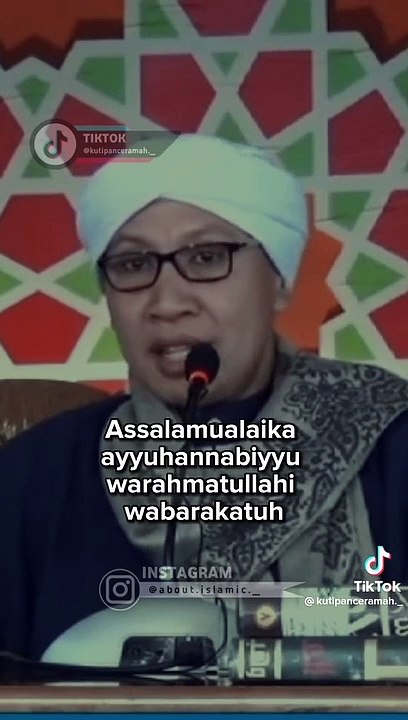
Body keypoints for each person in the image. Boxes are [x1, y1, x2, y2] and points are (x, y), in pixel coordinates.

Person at [0, 134, 407, 664]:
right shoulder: (33, 479)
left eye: (207, 256)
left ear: (280, 281)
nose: (168, 302)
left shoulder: (388, 443)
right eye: (132, 264)